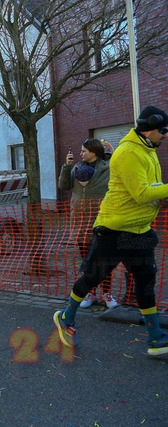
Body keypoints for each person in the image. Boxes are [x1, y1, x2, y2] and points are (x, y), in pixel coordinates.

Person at [53, 106, 168, 356]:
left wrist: (161, 197)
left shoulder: (148, 151)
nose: (165, 134)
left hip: (139, 230)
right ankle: (66, 317)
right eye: (163, 129)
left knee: (146, 281)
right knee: (92, 277)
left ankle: (156, 338)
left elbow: (151, 188)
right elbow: (142, 193)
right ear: (148, 129)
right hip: (114, 229)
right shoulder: (128, 152)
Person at [58, 139, 115, 308]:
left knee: (104, 260)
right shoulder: (77, 167)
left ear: (93, 152)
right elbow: (64, 185)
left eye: (84, 151)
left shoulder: (108, 168)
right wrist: (67, 166)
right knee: (87, 261)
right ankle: (90, 293)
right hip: (80, 223)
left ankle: (107, 293)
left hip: (101, 221)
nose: (80, 153)